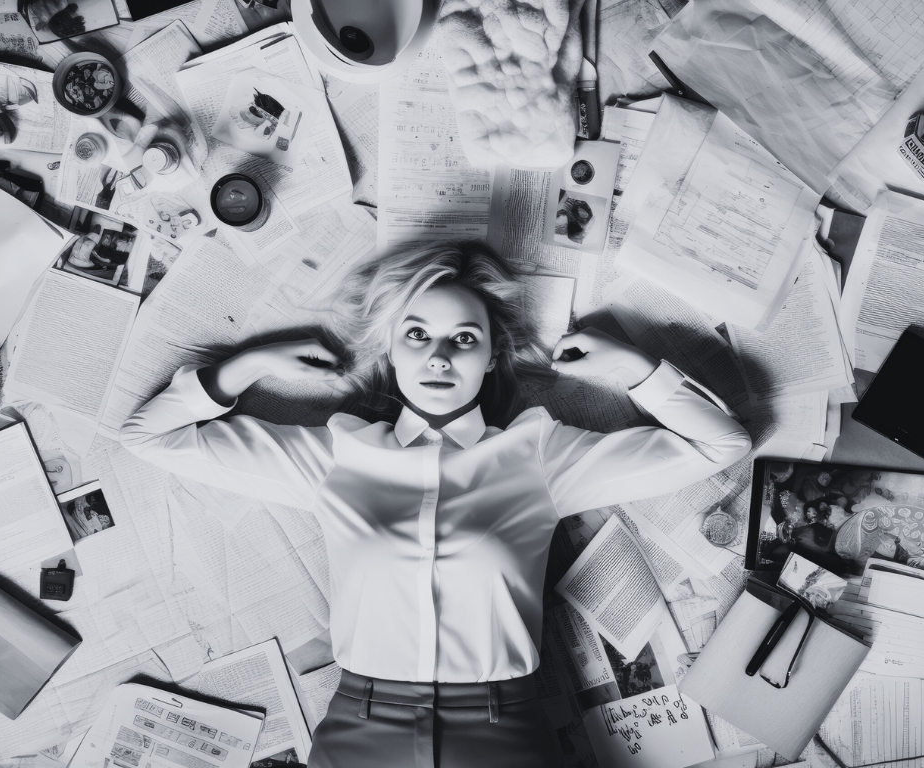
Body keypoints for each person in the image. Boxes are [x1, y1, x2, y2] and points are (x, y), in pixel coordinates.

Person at [120, 242, 751, 768]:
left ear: (492, 356)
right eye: (417, 334)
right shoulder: (337, 456)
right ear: (390, 350)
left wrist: (637, 368)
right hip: (362, 732)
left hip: (502, 734)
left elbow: (722, 444)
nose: (439, 357)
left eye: (464, 338)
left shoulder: (538, 455)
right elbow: (147, 436)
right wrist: (250, 363)